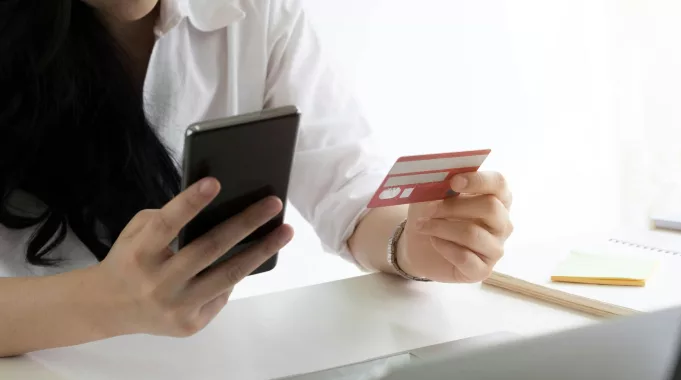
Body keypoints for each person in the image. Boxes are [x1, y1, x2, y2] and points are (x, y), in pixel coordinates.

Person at [0, 0, 513, 357]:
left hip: (187, 379)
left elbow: (347, 186)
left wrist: (418, 240)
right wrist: (102, 303)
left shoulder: (254, 10)